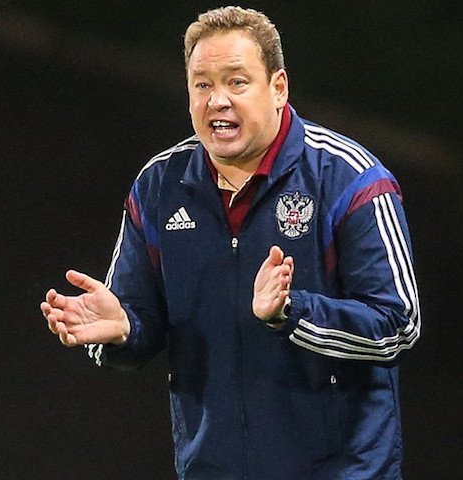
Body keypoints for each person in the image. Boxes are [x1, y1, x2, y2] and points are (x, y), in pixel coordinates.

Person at [41, 6, 420, 479]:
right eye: (202, 85)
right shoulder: (159, 186)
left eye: (237, 82)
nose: (217, 100)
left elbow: (397, 324)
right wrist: (123, 330)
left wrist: (292, 313)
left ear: (278, 88)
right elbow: (140, 321)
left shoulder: (350, 178)